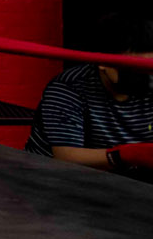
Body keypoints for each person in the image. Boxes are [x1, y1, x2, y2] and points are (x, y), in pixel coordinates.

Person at [25, 12, 153, 173]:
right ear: (102, 62)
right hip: (55, 180)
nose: (144, 76)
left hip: (126, 182)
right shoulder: (68, 88)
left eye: (148, 68)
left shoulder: (150, 84)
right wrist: (127, 154)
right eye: (134, 68)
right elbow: (66, 157)